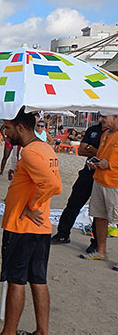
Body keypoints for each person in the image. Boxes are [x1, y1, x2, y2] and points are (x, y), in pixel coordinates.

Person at [0, 108, 62, 335]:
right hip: (40, 229)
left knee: (16, 281)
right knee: (38, 280)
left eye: (8, 128)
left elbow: (54, 185)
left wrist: (31, 205)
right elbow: (51, 183)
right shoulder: (45, 149)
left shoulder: (31, 151)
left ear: (21, 128)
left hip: (22, 228)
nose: (4, 132)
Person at [52, 117, 108, 250]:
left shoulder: (113, 134)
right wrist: (98, 151)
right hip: (87, 173)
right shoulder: (93, 129)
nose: (102, 118)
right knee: (73, 204)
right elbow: (81, 150)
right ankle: (63, 233)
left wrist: (92, 149)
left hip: (103, 177)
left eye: (105, 116)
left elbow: (109, 156)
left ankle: (96, 243)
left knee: (99, 211)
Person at [81, 113, 118, 263]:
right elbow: (101, 155)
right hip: (99, 181)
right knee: (99, 216)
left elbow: (110, 161)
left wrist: (109, 164)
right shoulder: (105, 135)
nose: (100, 120)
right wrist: (95, 163)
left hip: (114, 184)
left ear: (115, 116)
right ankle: (101, 251)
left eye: (104, 116)